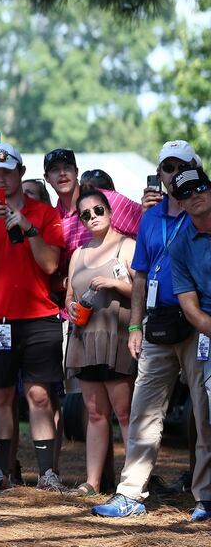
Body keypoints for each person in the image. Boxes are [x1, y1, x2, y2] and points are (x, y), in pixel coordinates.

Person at [91, 140, 210, 519]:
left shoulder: (200, 211)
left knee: (204, 412)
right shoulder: (152, 217)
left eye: (180, 168)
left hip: (199, 322)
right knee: (144, 409)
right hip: (159, 322)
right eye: (167, 169)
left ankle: (205, 496)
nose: (174, 176)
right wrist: (135, 325)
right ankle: (130, 493)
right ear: (159, 175)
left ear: (196, 169)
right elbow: (139, 276)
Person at [0, 143, 67, 494]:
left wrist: (28, 228)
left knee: (39, 396)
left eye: (7, 172)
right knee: (0, 396)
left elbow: (52, 265)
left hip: (40, 317)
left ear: (21, 172)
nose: (1, 179)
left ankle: (46, 474)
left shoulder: (44, 214)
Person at [63, 190, 137, 496]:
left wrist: (114, 284)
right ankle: (92, 483)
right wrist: (69, 305)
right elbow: (68, 295)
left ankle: (133, 483)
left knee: (124, 413)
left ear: (109, 211)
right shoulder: (78, 254)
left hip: (116, 339)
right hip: (84, 339)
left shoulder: (126, 246)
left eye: (98, 211)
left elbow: (141, 293)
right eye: (85, 214)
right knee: (94, 414)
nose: (93, 217)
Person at [167, 167, 211, 521]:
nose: (195, 195)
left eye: (201, 188)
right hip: (208, 333)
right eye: (186, 194)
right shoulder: (180, 246)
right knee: (207, 417)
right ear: (179, 203)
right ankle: (207, 497)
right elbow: (190, 309)